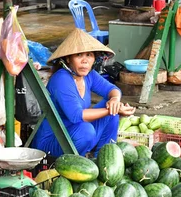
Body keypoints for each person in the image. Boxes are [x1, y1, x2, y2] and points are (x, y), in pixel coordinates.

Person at [31, 29, 135, 157]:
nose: (85, 61)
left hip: (74, 134)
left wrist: (114, 100)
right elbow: (76, 115)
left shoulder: (89, 75)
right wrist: (114, 109)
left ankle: (104, 160)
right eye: (79, 55)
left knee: (111, 109)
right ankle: (77, 165)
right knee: (89, 128)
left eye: (89, 55)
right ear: (68, 59)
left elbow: (113, 90)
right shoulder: (61, 79)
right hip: (51, 142)